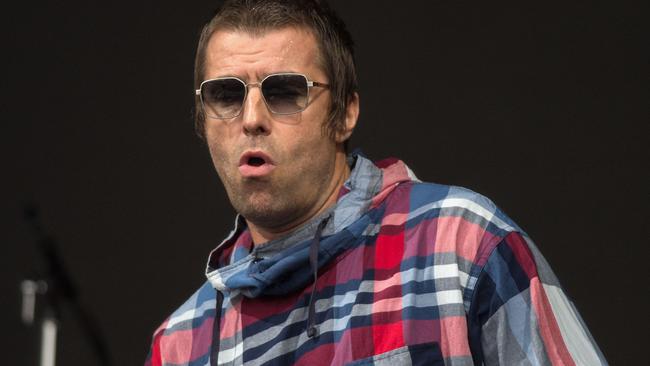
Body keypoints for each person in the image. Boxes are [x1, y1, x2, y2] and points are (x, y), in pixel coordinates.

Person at [146, 1, 607, 365]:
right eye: (225, 94)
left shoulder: (459, 246)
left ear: (345, 112)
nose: (251, 119)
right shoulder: (180, 346)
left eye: (285, 91)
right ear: (201, 119)